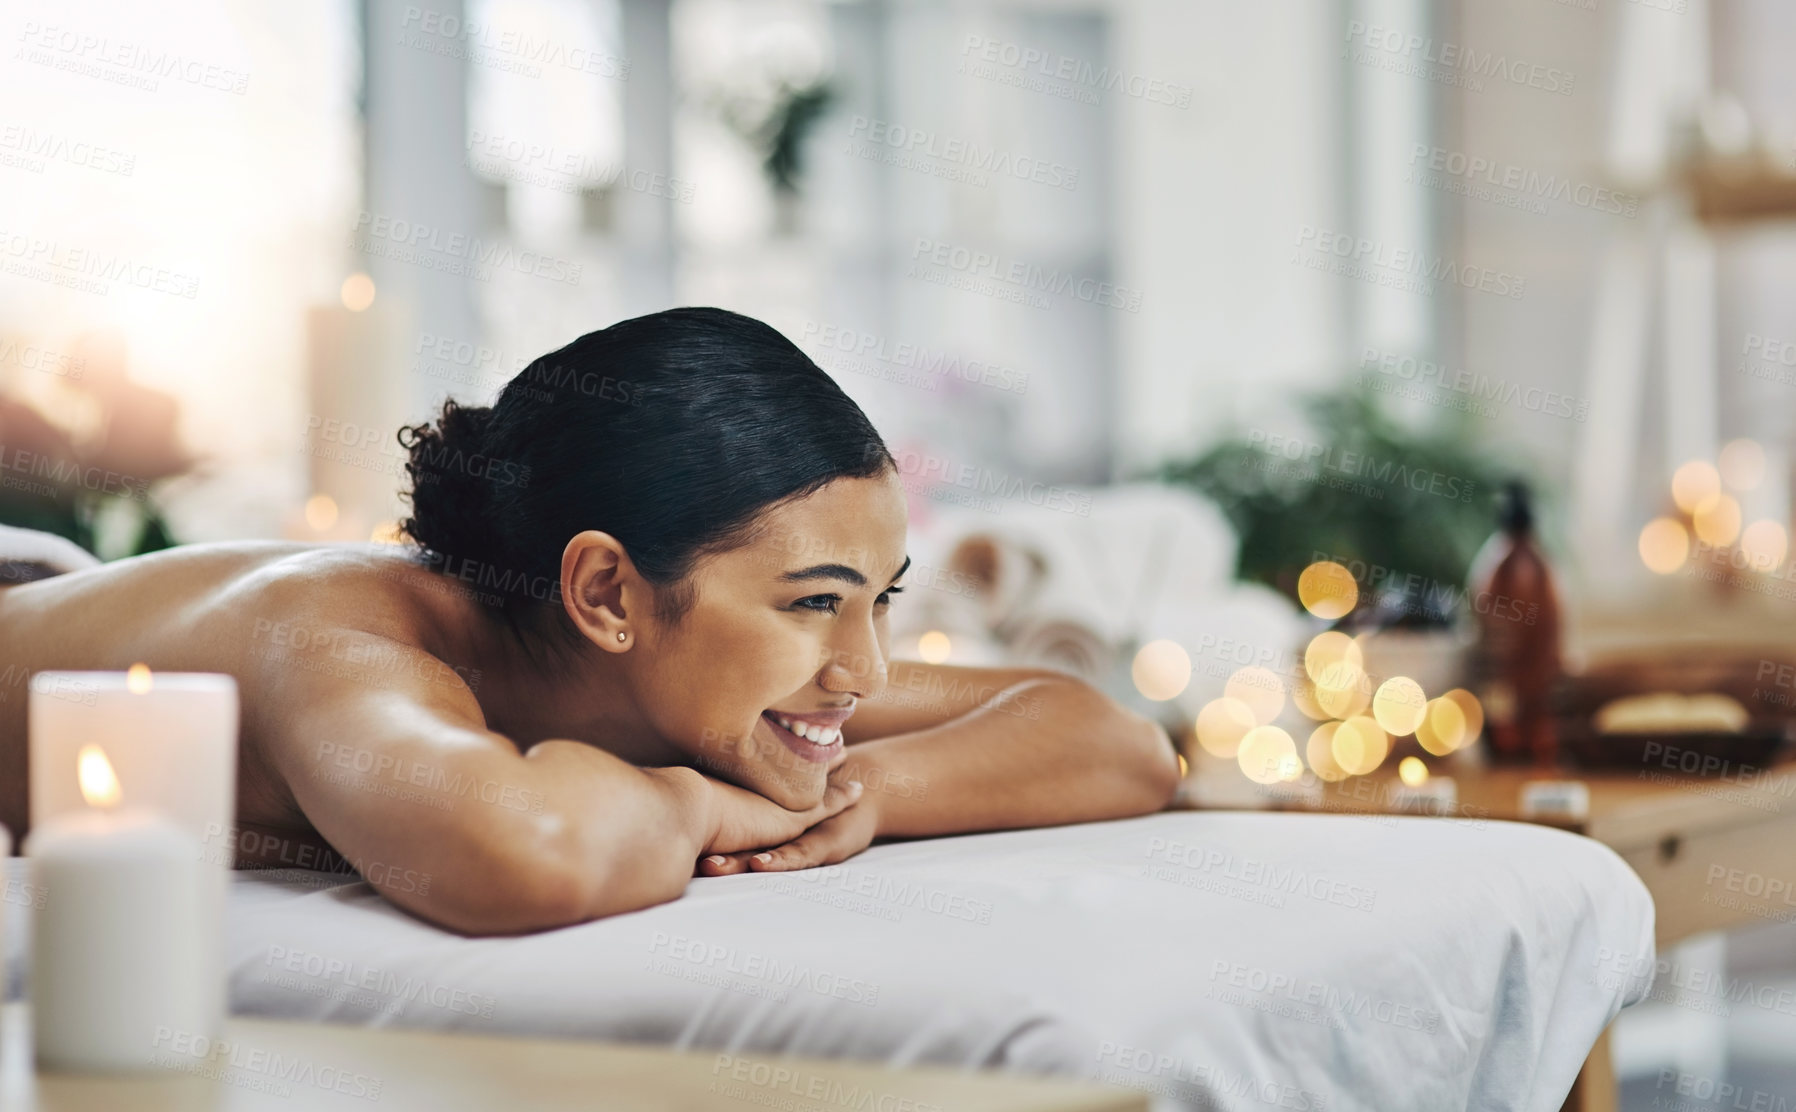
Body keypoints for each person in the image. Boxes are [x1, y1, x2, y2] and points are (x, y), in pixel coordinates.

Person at [0, 307, 1179, 936]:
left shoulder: (694, 670)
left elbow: (1113, 740)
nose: (860, 669)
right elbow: (524, 850)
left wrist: (855, 799)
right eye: (815, 601)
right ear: (607, 592)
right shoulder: (343, 648)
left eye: (881, 600)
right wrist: (702, 801)